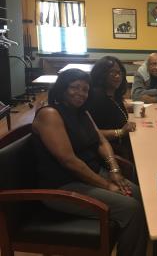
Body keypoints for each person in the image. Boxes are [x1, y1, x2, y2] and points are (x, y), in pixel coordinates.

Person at [32, 69, 147, 256]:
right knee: (131, 208)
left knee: (140, 195)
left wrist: (115, 170)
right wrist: (106, 185)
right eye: (75, 87)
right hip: (61, 188)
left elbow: (101, 140)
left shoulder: (82, 112)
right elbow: (69, 161)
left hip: (88, 176)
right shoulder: (50, 114)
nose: (80, 93)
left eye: (85, 89)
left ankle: (134, 243)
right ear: (62, 88)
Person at [87, 56, 136, 180]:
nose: (117, 76)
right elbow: (92, 133)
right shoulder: (96, 97)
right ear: (101, 74)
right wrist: (121, 132)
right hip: (108, 154)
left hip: (123, 146)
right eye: (112, 72)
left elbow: (113, 112)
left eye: (119, 73)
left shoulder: (114, 95)